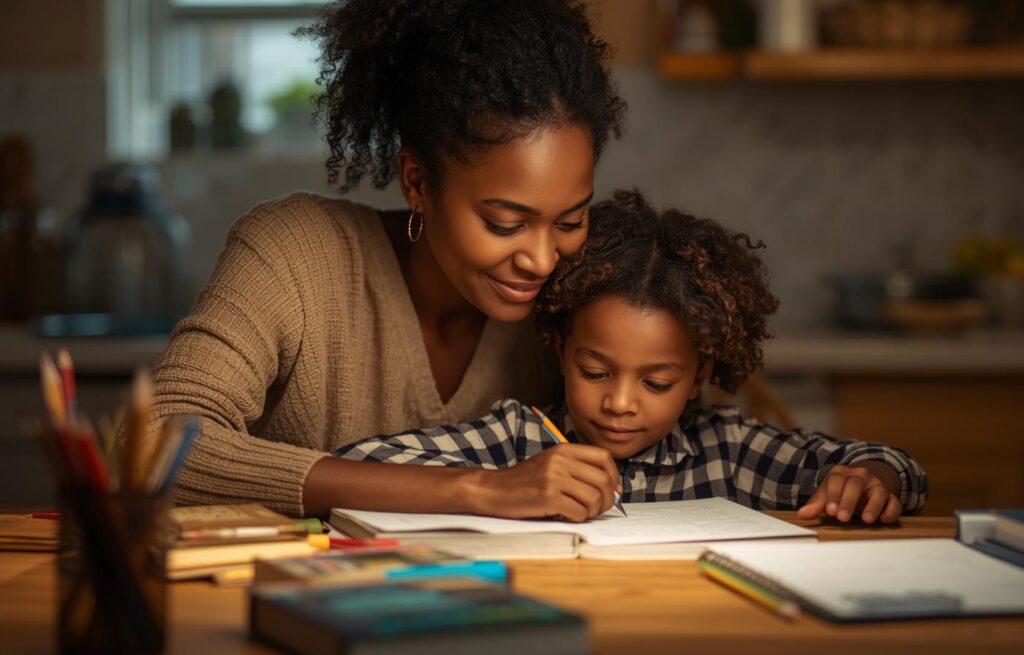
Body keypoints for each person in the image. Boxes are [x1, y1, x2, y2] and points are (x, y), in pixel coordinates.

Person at [148, 0, 628, 517]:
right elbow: (158, 443)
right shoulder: (292, 255)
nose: (540, 259)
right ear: (417, 183)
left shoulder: (572, 302)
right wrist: (479, 490)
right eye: (505, 224)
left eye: (569, 221)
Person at [337, 191, 929, 523]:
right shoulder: (520, 440)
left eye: (657, 382)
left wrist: (868, 480)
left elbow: (890, 464)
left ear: (698, 374)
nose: (619, 403)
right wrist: (496, 486)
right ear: (559, 350)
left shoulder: (727, 453)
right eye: (595, 372)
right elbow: (358, 463)